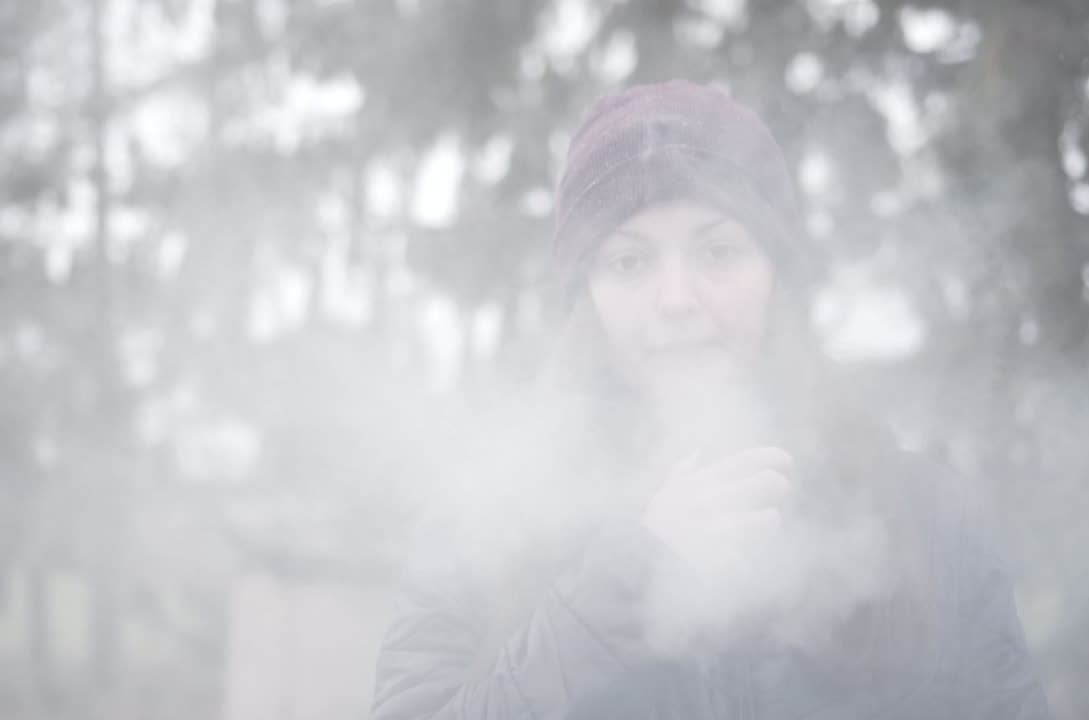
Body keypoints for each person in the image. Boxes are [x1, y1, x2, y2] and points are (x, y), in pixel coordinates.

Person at [370, 80, 1051, 719]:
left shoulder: (927, 520)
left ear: (776, 276)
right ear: (588, 299)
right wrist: (626, 582)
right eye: (630, 262)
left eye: (718, 253)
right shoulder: (484, 526)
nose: (676, 300)